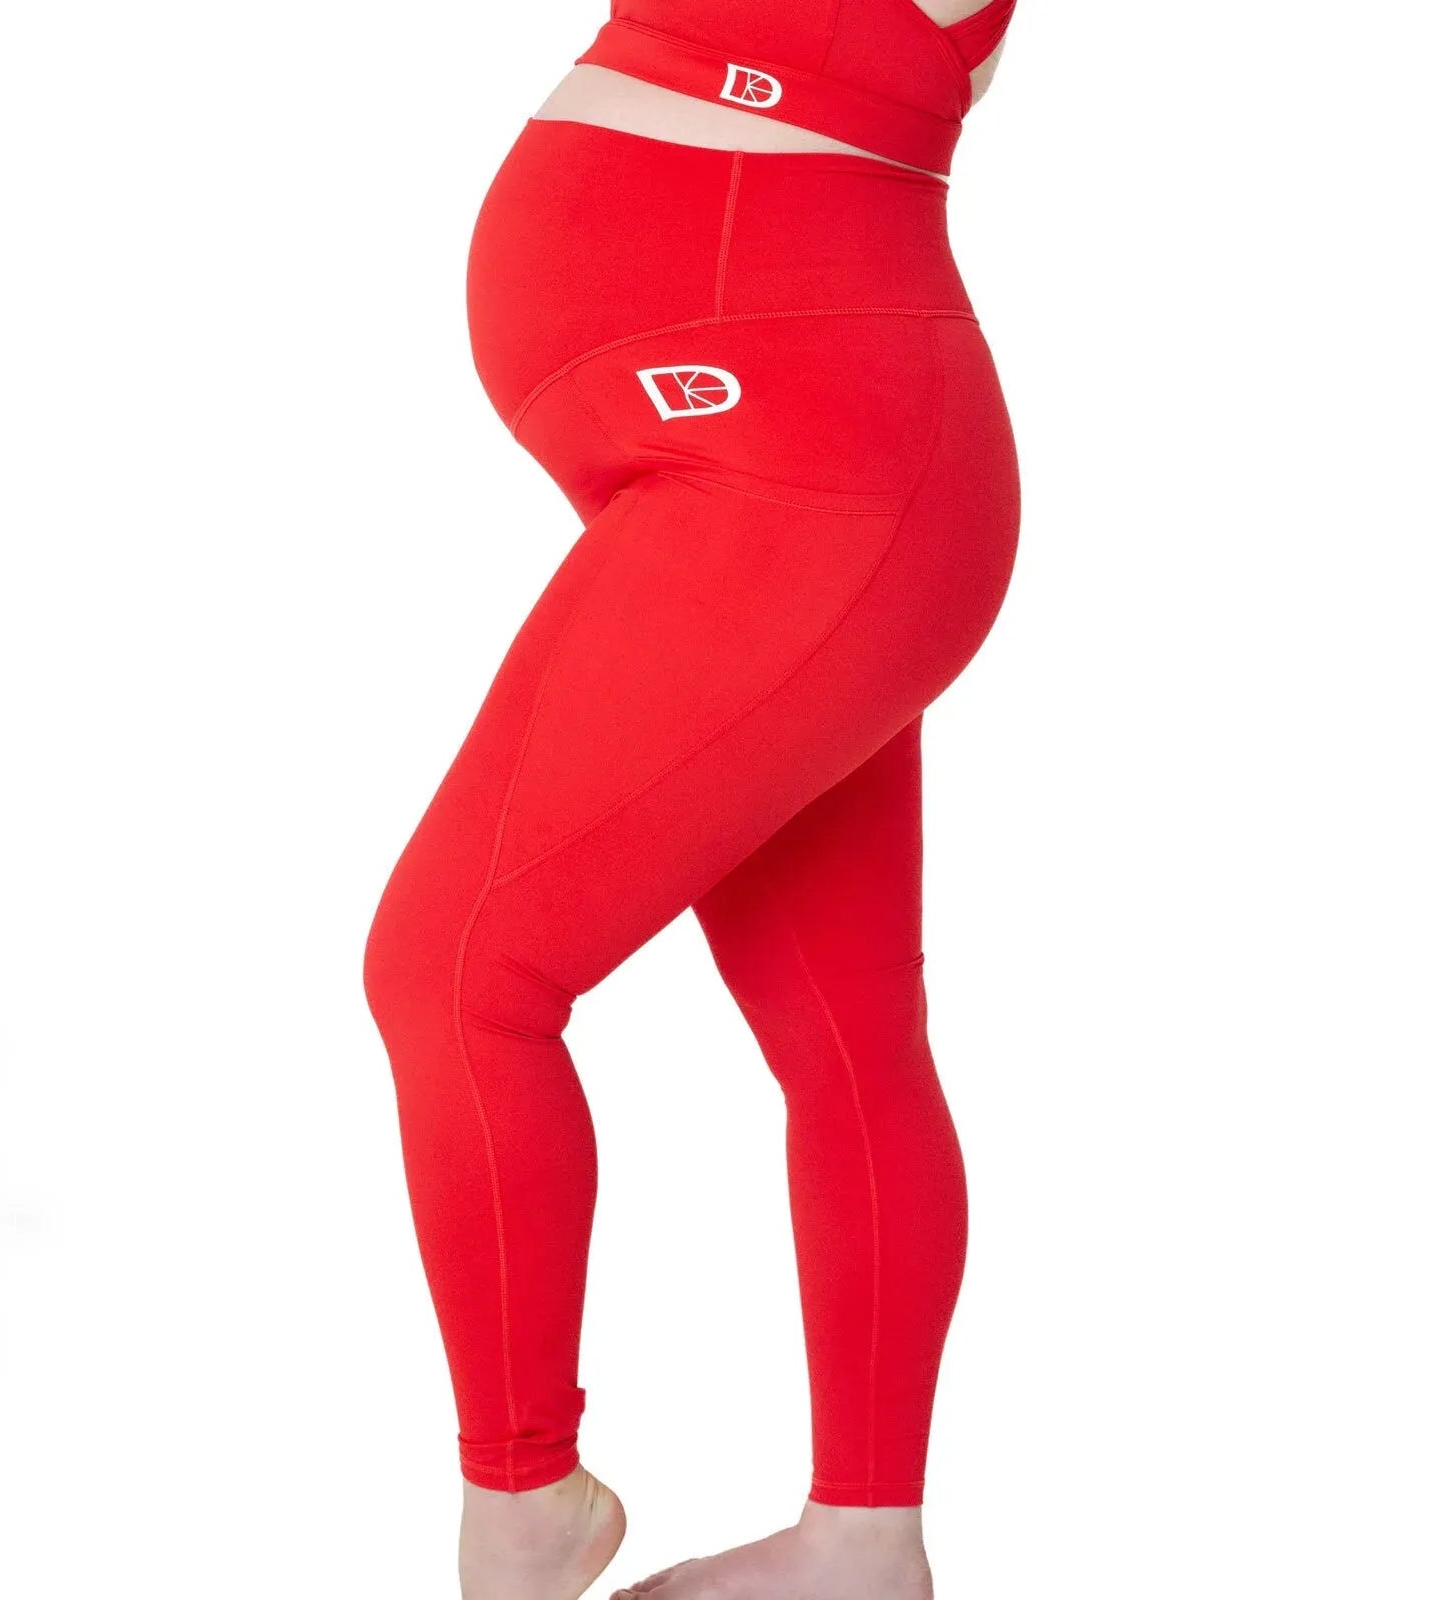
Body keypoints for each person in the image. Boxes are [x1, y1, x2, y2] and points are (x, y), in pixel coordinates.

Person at [362, 3, 1021, 1596]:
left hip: (809, 469)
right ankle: (862, 1549)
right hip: (790, 451)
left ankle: (526, 1500)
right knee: (848, 1036)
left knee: (457, 968)